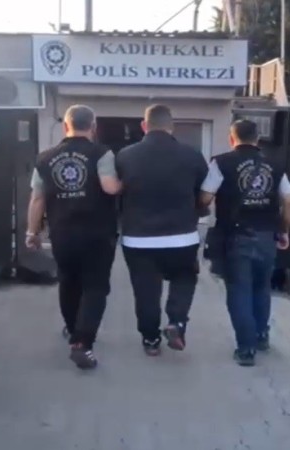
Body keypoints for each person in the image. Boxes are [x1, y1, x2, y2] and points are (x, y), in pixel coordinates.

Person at [26, 104, 122, 370]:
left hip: (62, 233)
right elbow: (109, 187)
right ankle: (82, 343)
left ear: (65, 126)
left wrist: (32, 232)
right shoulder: (101, 153)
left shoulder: (44, 158)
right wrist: (127, 182)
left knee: (68, 282)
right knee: (95, 287)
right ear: (93, 126)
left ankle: (72, 329)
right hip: (97, 234)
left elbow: (37, 199)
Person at [200, 119, 290, 367]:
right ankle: (261, 336)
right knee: (261, 288)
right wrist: (283, 231)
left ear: (232, 138)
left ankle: (246, 349)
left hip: (236, 237)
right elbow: (288, 203)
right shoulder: (275, 164)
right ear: (257, 139)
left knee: (239, 290)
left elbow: (206, 197)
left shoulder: (221, 163)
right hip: (267, 237)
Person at [116, 104, 208, 356]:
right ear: (171, 126)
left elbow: (116, 193)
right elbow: (205, 193)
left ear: (144, 126)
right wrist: (199, 211)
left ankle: (150, 339)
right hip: (182, 236)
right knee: (184, 277)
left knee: (145, 290)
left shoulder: (125, 156)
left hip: (138, 238)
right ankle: (176, 322)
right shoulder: (192, 155)